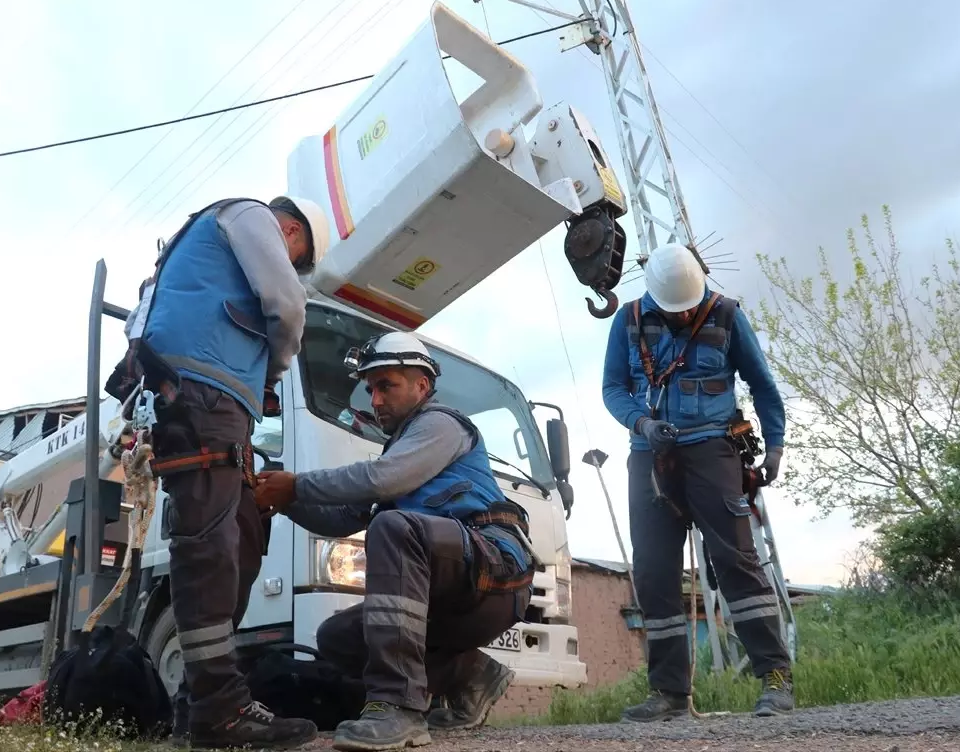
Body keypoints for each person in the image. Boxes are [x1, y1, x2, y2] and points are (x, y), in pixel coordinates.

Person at [109, 195, 331, 750]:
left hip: (211, 394)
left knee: (244, 530)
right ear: (291, 229)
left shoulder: (209, 242)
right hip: (202, 390)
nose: (293, 263)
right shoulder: (250, 215)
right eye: (298, 253)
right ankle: (220, 709)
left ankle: (197, 703)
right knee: (207, 543)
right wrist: (272, 376)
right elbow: (288, 304)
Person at [254, 332, 535, 752]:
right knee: (337, 637)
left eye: (387, 386)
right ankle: (470, 675)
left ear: (422, 385)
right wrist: (281, 500)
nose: (375, 400)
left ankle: (398, 708)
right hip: (451, 588)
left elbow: (383, 479)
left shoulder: (441, 424)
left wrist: (296, 486)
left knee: (393, 528)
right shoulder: (399, 449)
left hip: (495, 577)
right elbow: (340, 520)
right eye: (371, 389)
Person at [600, 242, 793, 721]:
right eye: (675, 309)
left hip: (713, 450)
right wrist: (642, 424)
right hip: (650, 456)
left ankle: (775, 678)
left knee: (735, 560)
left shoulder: (727, 316)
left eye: (690, 306)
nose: (685, 314)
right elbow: (613, 388)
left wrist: (775, 446)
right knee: (653, 572)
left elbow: (763, 385)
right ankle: (669, 693)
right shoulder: (625, 322)